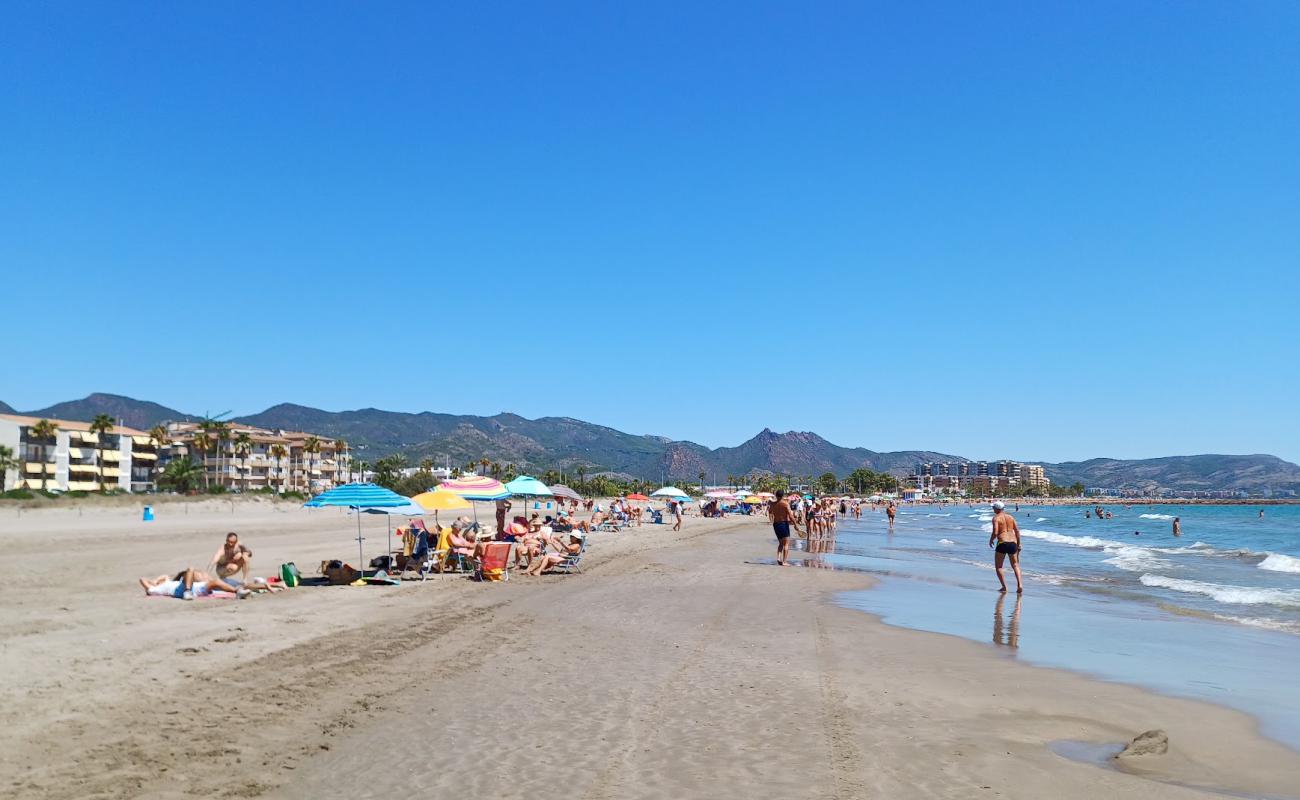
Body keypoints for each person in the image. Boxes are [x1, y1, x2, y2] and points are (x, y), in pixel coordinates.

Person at [987, 501, 1023, 593]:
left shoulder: (996, 518)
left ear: (996, 509)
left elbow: (995, 532)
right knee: (1015, 565)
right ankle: (1020, 584)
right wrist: (1018, 544)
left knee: (999, 566)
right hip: (1013, 543)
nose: (992, 509)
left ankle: (1004, 587)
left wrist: (991, 540)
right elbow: (1017, 531)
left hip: (1002, 542)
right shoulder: (1011, 517)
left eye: (993, 507)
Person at [768, 490, 797, 566]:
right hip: (783, 524)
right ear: (783, 496)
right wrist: (795, 525)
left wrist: (771, 520)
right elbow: (791, 516)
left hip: (776, 524)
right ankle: (784, 561)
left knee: (781, 543)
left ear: (776, 495)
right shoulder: (785, 504)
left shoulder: (773, 504)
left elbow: (770, 512)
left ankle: (778, 558)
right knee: (786, 543)